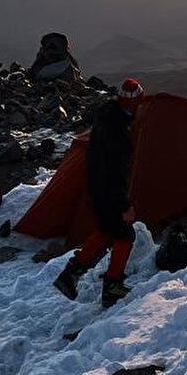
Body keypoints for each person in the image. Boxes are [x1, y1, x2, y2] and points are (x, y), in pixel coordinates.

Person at [54, 77, 144, 307]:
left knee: (107, 230)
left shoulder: (107, 117)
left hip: (96, 187)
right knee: (124, 234)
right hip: (108, 191)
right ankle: (112, 285)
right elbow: (115, 173)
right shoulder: (120, 134)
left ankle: (70, 274)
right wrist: (125, 206)